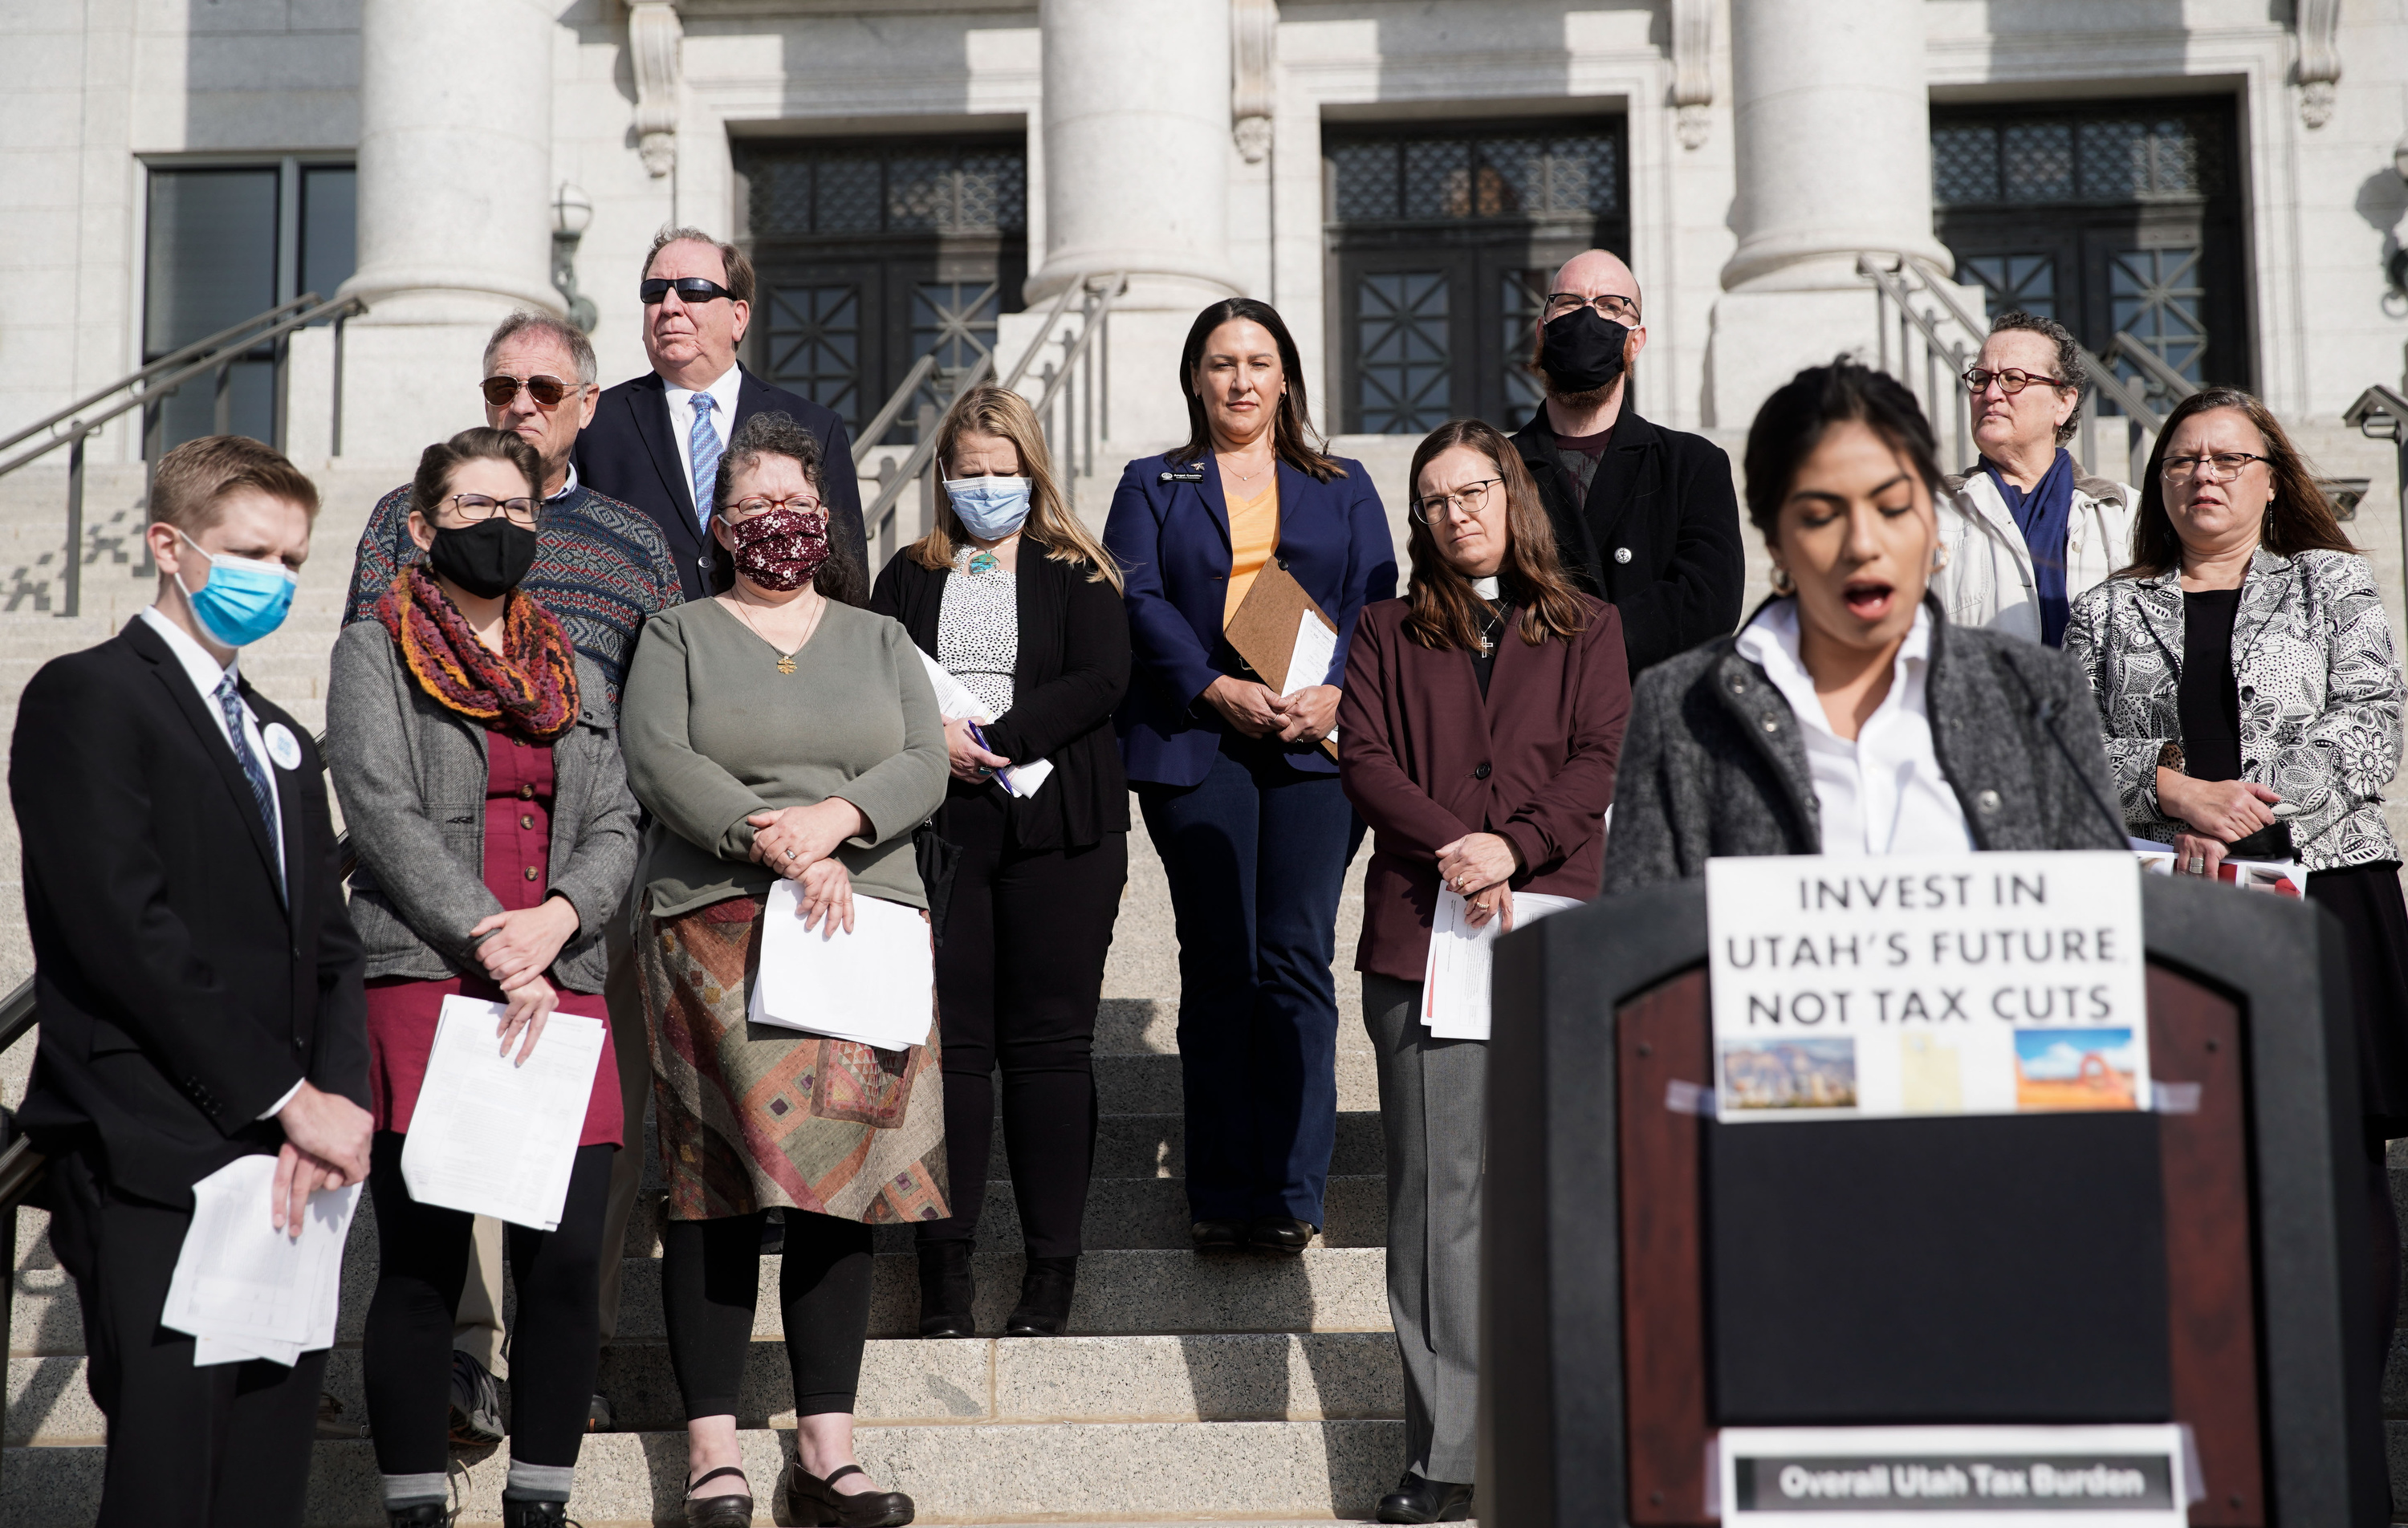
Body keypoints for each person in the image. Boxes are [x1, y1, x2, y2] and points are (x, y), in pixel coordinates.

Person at [8, 436, 372, 1527]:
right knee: (170, 1473)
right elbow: (124, 927)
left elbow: (335, 949)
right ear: (170, 545)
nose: (277, 577)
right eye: (250, 550)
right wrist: (284, 1094)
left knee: (264, 1474)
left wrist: (338, 1103)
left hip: (296, 1166)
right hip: (155, 1149)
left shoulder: (280, 734)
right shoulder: (89, 698)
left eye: (295, 559)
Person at [341, 307, 681, 1441]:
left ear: (588, 402)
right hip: (439, 894)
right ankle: (454, 1368)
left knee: (583, 1168)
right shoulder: (401, 519)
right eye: (502, 389)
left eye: (545, 389)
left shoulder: (633, 540)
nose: (521, 406)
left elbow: (663, 713)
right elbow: (374, 710)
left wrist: (575, 903)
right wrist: (484, 923)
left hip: (583, 880)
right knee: (441, 1175)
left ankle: (561, 1364)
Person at [620, 410, 946, 1528]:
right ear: (719, 527)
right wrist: (772, 836)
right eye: (753, 506)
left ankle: (825, 1454)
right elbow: (662, 755)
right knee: (710, 1188)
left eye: (796, 506)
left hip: (862, 925)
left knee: (835, 1188)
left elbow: (922, 758)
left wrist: (840, 818)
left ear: (827, 520)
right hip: (717, 923)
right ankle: (714, 1453)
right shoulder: (679, 633)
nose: (778, 524)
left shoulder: (879, 638)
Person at [326, 429, 637, 1528]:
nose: (497, 526)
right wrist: (487, 936)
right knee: (423, 1257)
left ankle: (541, 1500)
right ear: (422, 525)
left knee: (566, 1257)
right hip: (430, 978)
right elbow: (378, 808)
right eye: (471, 507)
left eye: (516, 507)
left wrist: (556, 920)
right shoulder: (376, 650)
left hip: (566, 979)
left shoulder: (579, 668)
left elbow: (612, 819)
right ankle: (415, 1500)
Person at [2062, 384, 2407, 1368]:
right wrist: (2178, 794)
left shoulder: (2330, 584)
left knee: (2343, 1165)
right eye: (2182, 460)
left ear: (2269, 480)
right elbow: (2070, 752)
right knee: (2189, 1155)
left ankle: (2342, 1430)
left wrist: (2247, 806)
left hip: (2325, 890)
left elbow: (2374, 720)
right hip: (2172, 896)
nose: (2202, 475)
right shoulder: (2109, 607)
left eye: (2226, 459)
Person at [1337, 418, 1628, 1525]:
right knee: (1435, 1206)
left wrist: (1516, 845)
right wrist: (1462, 845)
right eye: (1434, 500)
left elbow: (1600, 757)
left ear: (1513, 498)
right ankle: (1449, 1453)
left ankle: (1567, 1429)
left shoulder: (1591, 628)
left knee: (1562, 1199)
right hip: (1426, 942)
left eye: (1474, 492)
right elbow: (1363, 757)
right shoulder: (1384, 630)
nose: (1456, 514)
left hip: (1556, 928)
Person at [1102, 297, 1397, 1254]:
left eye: (1259, 362)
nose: (1241, 380)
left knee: (1295, 956)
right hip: (1200, 741)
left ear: (1286, 379)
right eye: (1222, 362)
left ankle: (1291, 1189)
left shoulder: (1344, 483)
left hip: (1314, 743)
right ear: (1196, 377)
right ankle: (1223, 1188)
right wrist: (1210, 685)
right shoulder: (1153, 482)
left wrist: (1340, 690)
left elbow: (1375, 599)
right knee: (1222, 955)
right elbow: (1137, 596)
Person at [1603, 357, 2129, 892]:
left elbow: (2101, 928)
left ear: (1932, 521)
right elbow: (1641, 952)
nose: (1862, 545)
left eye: (1892, 508)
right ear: (1775, 544)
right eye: (1820, 516)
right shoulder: (1680, 710)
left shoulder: (2038, 694)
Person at [868, 384, 1130, 1339]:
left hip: (1063, 829)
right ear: (943, 477)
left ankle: (1050, 1271)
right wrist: (936, 737)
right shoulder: (908, 572)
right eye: (969, 472)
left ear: (1033, 471)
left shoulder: (1081, 569)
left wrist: (1002, 735)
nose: (987, 487)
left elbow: (1103, 677)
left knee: (1053, 1047)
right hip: (943, 832)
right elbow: (878, 675)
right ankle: (945, 1271)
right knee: (953, 1054)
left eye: (1002, 470)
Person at [576, 226, 868, 602]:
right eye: (654, 293)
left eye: (693, 291)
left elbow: (846, 578)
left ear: (739, 317)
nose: (669, 307)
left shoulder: (814, 426)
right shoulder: (595, 422)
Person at [1504, 248, 1743, 676]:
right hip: (1531, 718)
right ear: (1542, 331)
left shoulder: (1692, 465)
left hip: (1641, 718)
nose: (1587, 318)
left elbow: (1709, 603)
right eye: (1570, 303)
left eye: (1611, 307)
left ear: (1636, 340)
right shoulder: (1495, 467)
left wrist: (1586, 642)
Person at [1935, 311, 2138, 646]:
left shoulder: (2124, 514)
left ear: (2064, 403)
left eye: (2013, 379)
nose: (1991, 394)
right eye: (1981, 378)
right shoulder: (1930, 512)